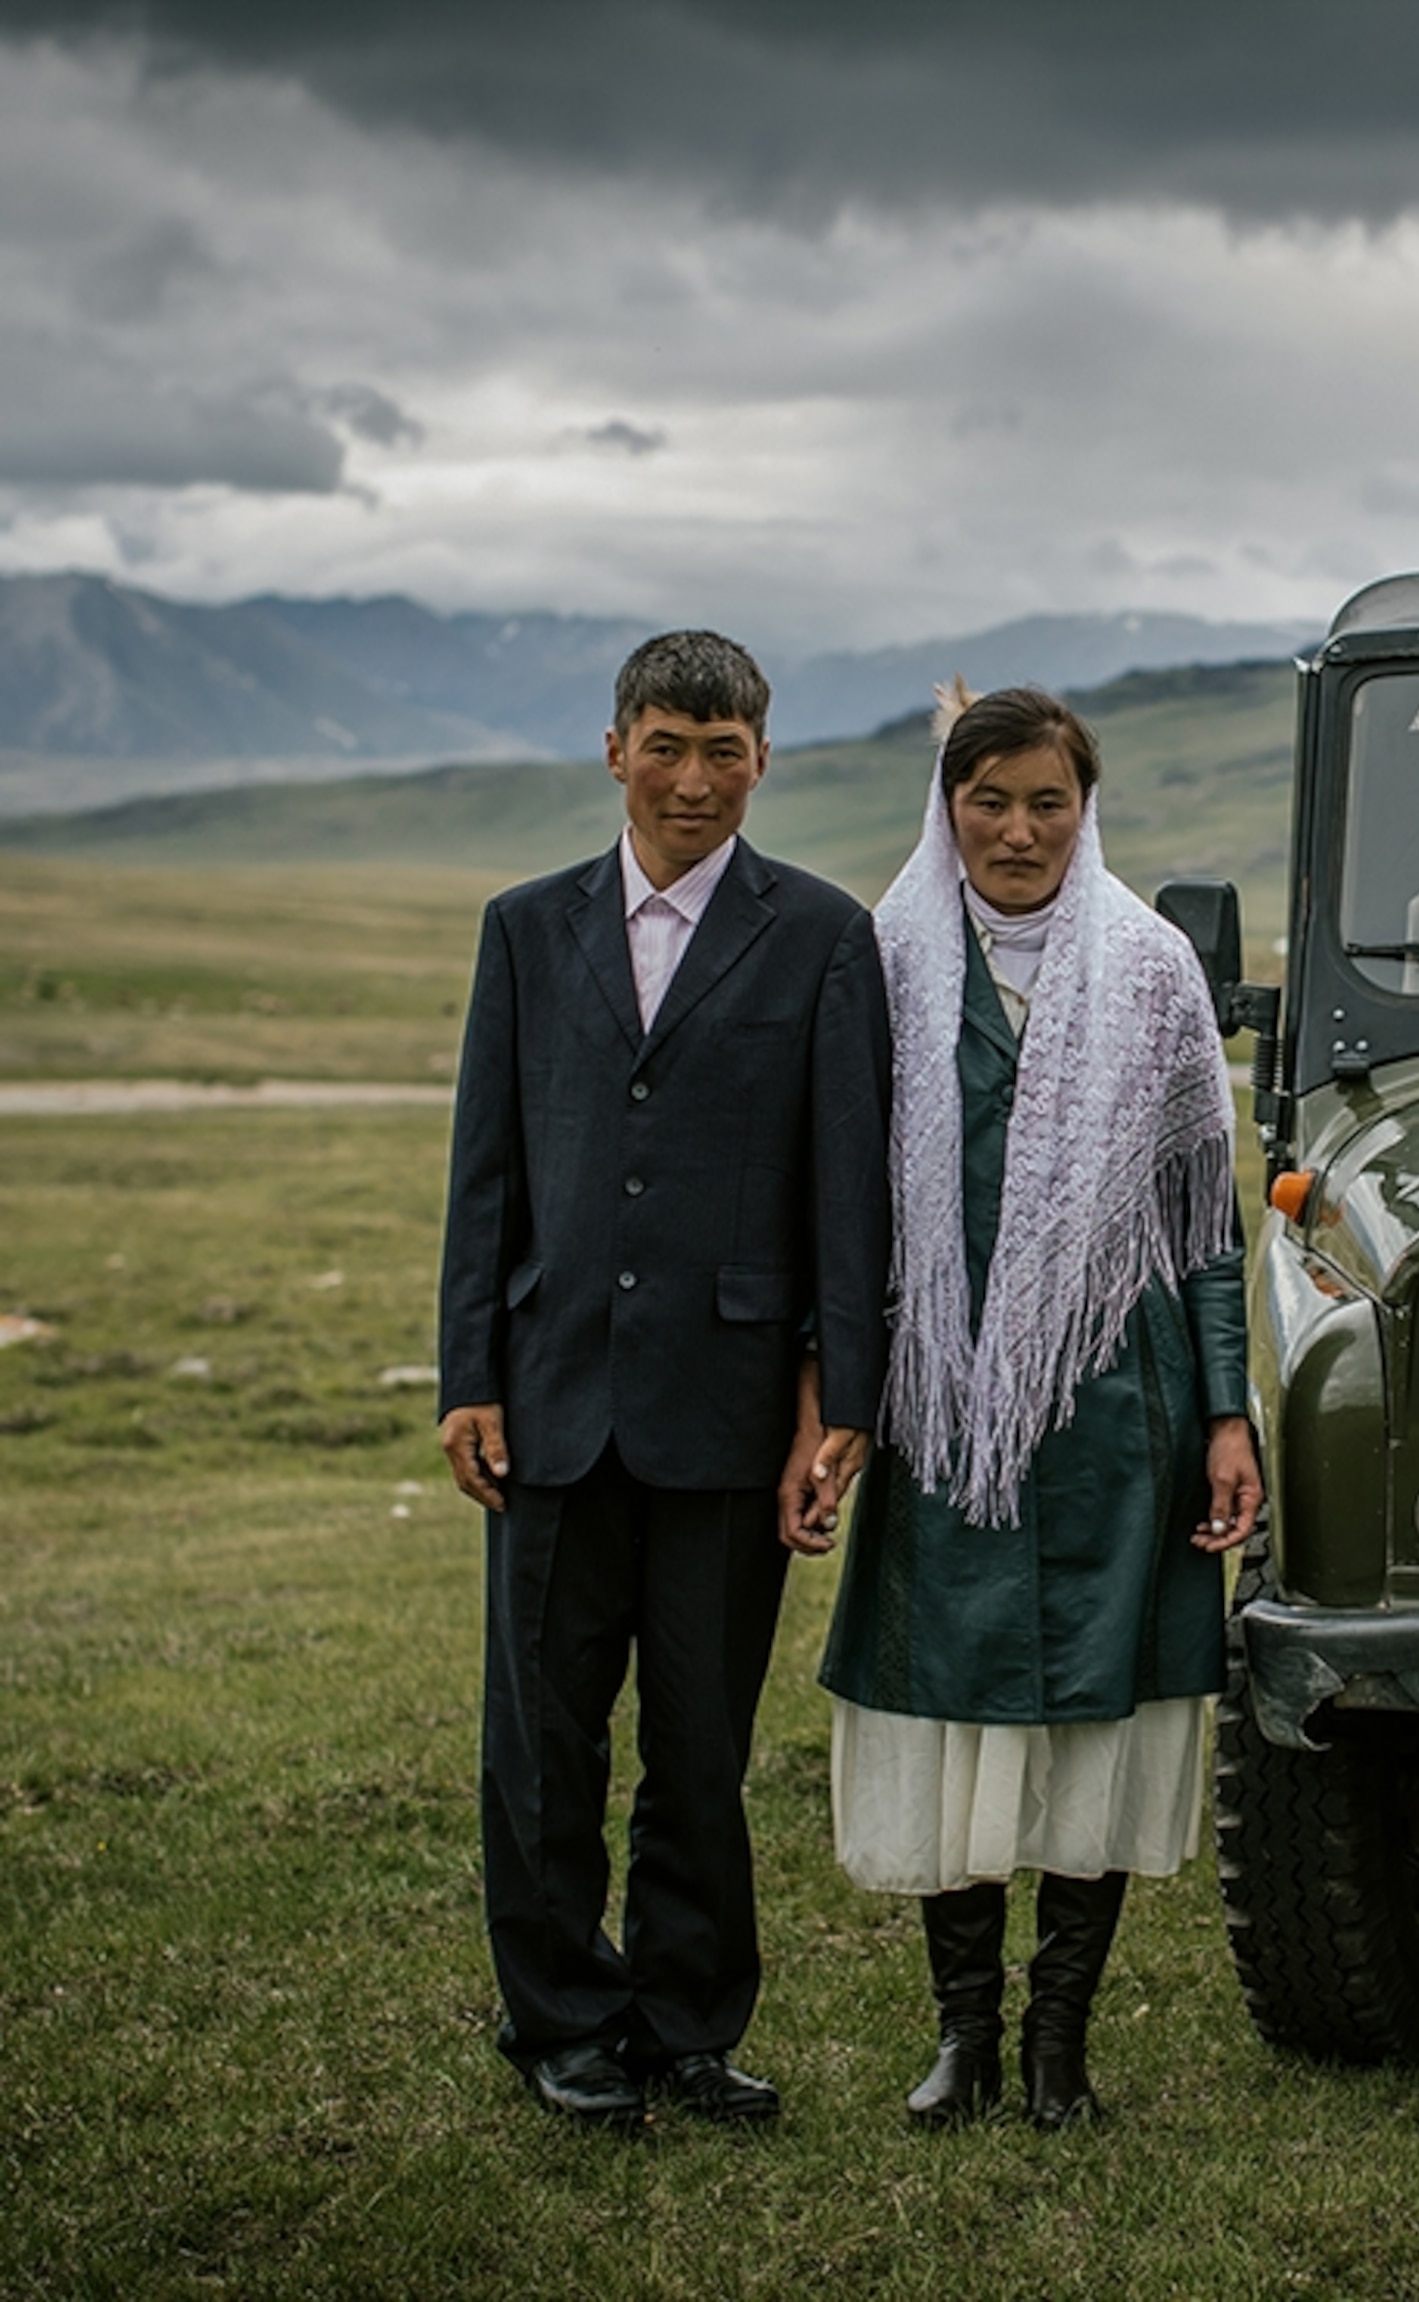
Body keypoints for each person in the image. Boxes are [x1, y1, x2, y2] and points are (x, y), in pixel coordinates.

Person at [437, 630, 893, 2129]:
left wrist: (841, 1400)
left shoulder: (822, 935)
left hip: (730, 1408)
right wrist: (468, 1374)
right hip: (551, 1398)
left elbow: (847, 1189)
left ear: (764, 759)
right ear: (615, 750)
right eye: (666, 747)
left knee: (702, 1744)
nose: (693, 780)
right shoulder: (524, 928)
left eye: (723, 752)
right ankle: (560, 2019)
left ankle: (689, 2025)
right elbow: (487, 1171)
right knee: (541, 1743)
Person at [818, 682, 1258, 2130]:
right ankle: (964, 2038)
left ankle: (1060, 2043)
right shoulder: (884, 962)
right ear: (947, 807)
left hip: (1119, 1403)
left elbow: (1203, 1220)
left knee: (1094, 1723)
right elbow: (840, 1202)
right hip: (943, 1412)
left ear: (1087, 808)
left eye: (1047, 802)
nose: (1018, 830)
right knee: (953, 1701)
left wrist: (1227, 1413)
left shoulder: (1153, 972)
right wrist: (837, 1393)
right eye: (989, 800)